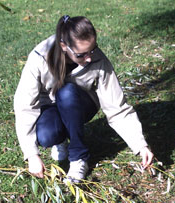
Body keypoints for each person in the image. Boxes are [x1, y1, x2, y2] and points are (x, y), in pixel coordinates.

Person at [14, 15, 153, 183]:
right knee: (47, 136)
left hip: (81, 103)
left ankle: (79, 157)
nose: (89, 58)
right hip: (50, 105)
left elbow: (117, 107)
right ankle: (62, 138)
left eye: (92, 50)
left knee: (67, 93)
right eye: (81, 54)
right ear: (63, 46)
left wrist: (140, 145)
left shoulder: (98, 60)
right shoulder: (40, 57)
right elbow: (25, 106)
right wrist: (31, 154)